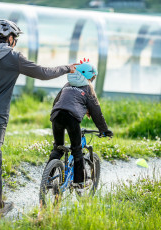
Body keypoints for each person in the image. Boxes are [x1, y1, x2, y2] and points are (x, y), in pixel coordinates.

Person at [0, 19, 76, 222]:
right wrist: (67, 68)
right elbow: (44, 73)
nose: (15, 42)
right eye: (15, 38)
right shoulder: (14, 57)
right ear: (10, 38)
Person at [47, 59, 113, 188]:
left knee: (58, 148)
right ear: (90, 77)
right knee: (77, 150)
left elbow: (56, 102)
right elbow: (96, 112)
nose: (92, 81)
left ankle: (47, 179)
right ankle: (79, 182)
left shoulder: (67, 84)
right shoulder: (88, 88)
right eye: (93, 78)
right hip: (71, 118)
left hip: (56, 116)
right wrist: (104, 130)